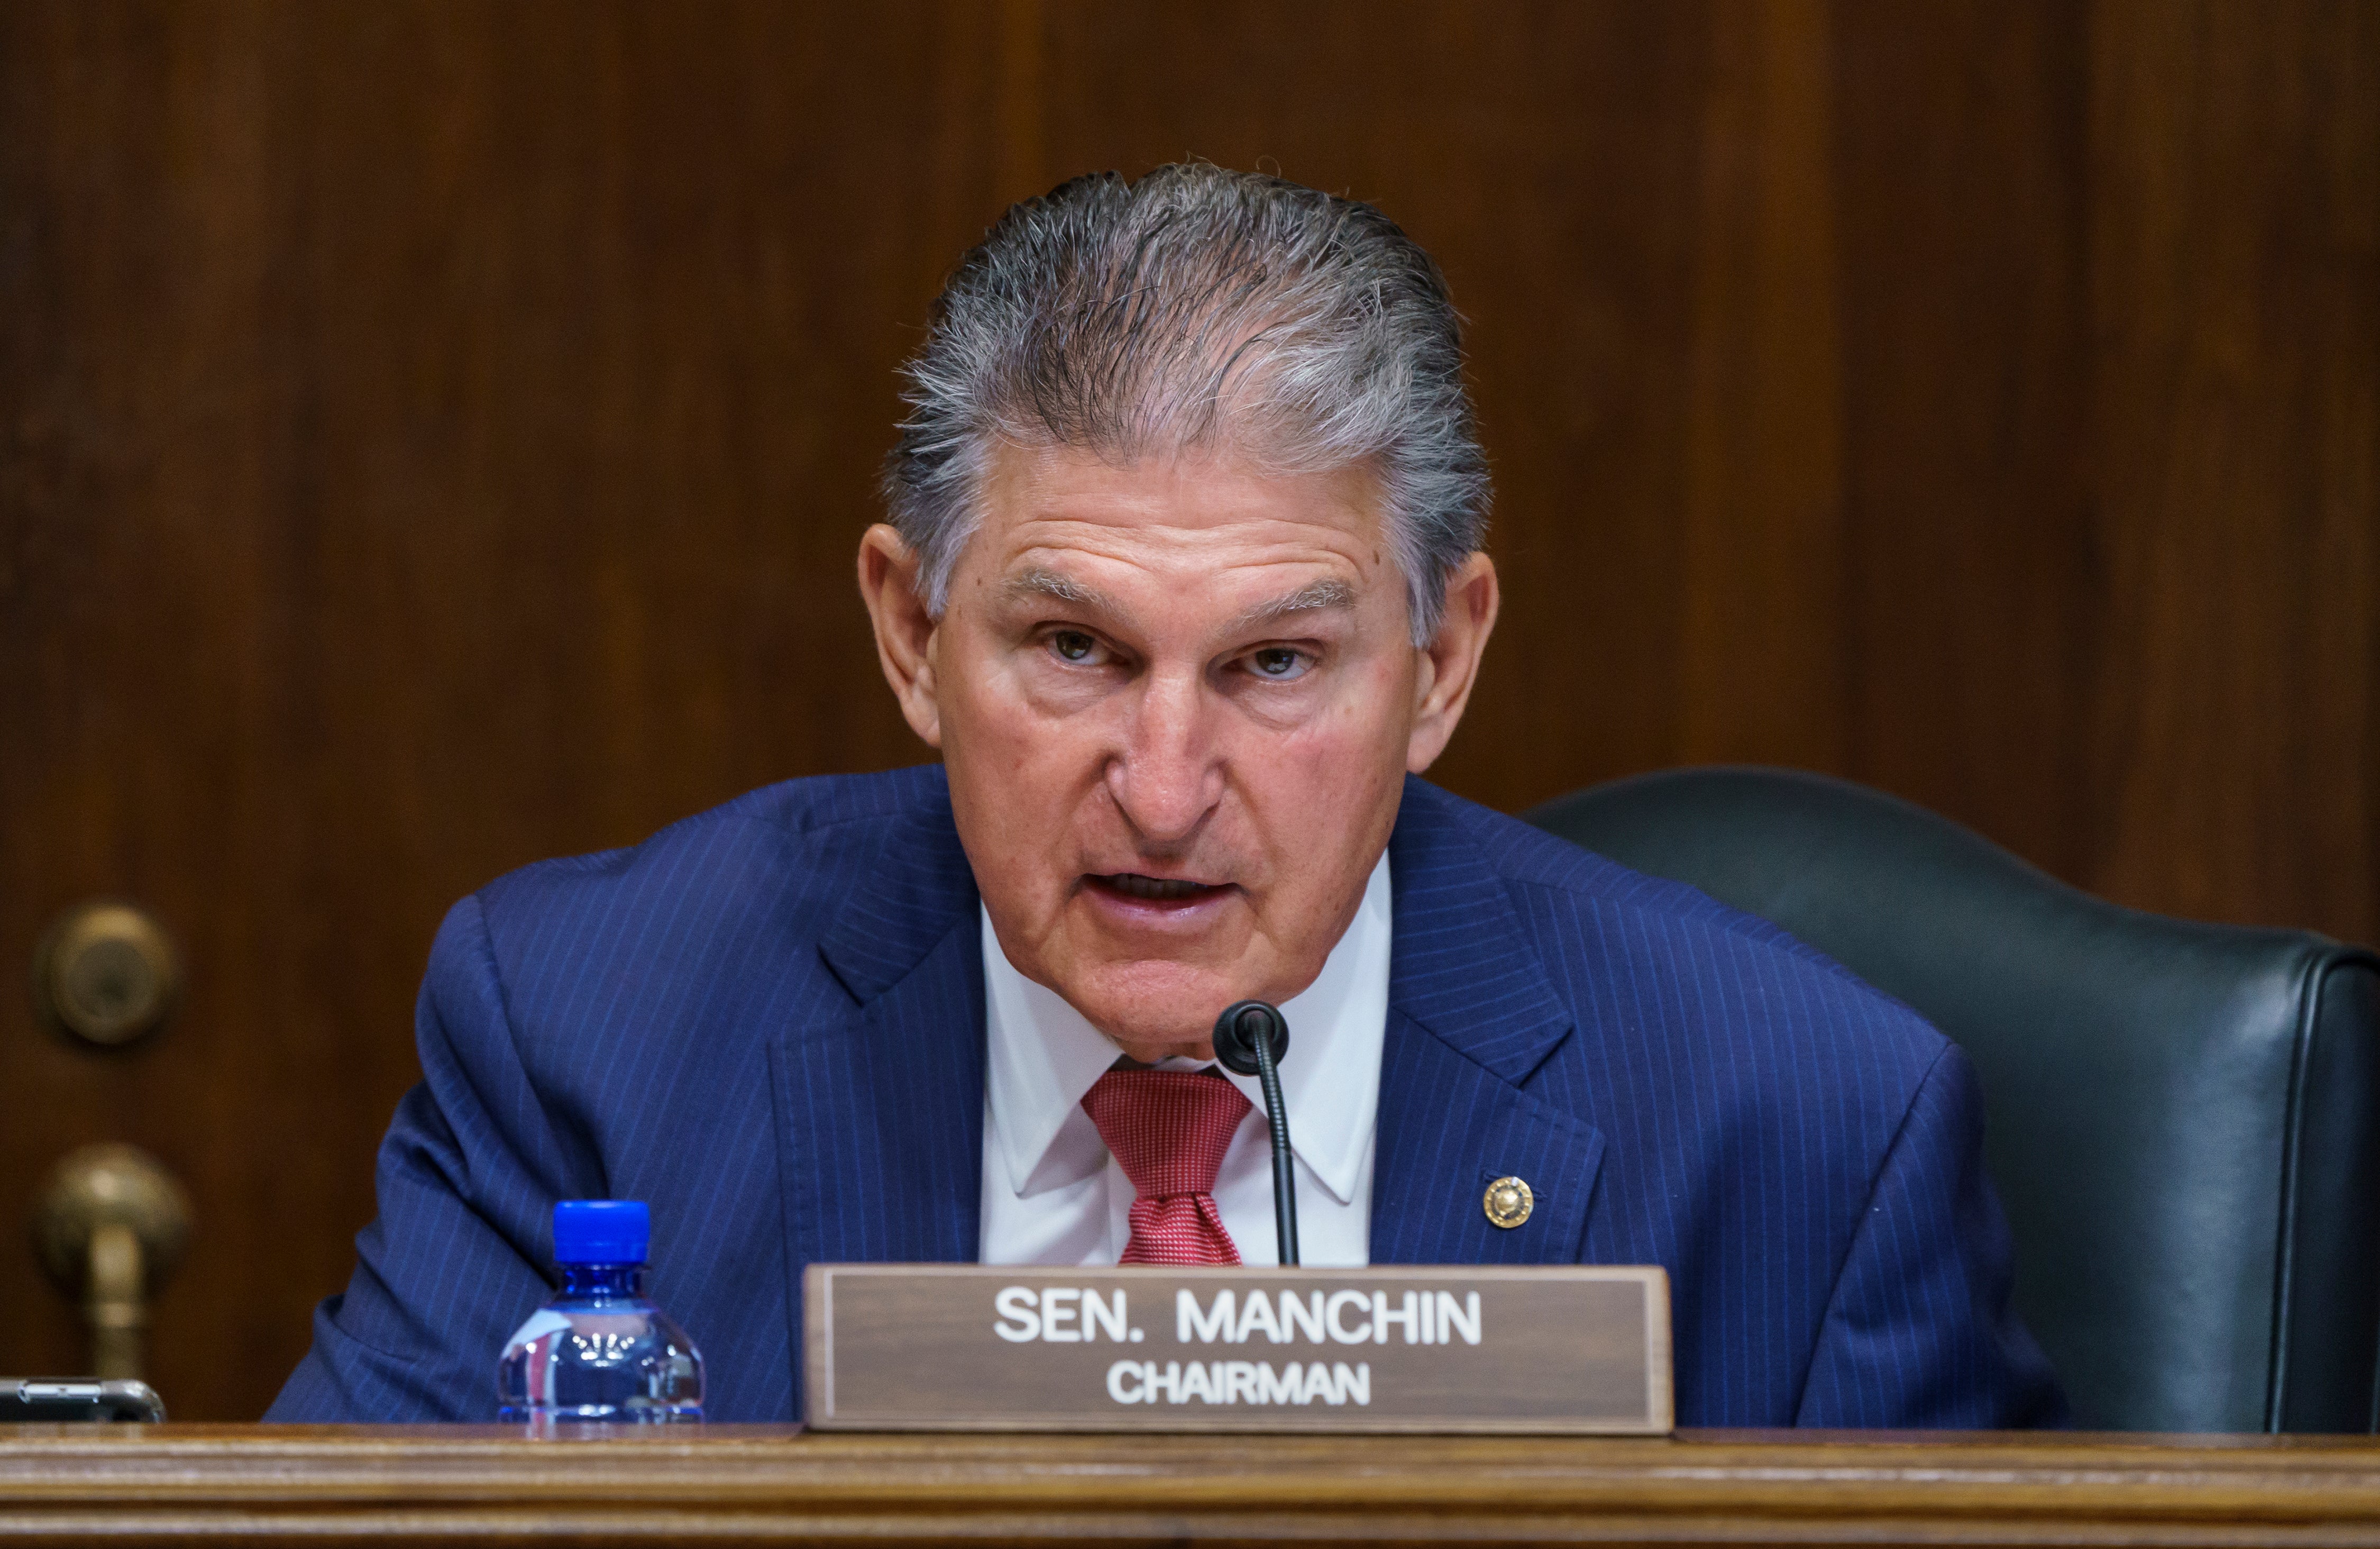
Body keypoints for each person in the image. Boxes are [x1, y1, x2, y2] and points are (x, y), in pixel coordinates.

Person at [268, 165, 2064, 1426]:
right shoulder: (590, 1031)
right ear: (910, 631)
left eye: (1276, 664)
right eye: (1073, 646)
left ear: (1440, 661)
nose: (1163, 786)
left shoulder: (1807, 1131)